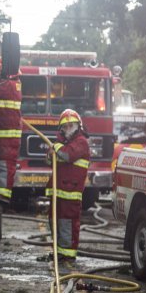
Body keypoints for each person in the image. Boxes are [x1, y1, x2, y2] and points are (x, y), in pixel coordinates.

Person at [45, 108, 90, 266]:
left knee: (67, 224)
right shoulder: (62, 143)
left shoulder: (81, 143)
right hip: (58, 193)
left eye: (71, 125)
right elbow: (52, 161)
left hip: (70, 193)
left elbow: (68, 155)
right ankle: (59, 252)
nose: (68, 128)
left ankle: (68, 255)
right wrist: (51, 153)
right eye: (65, 126)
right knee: (54, 221)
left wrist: (55, 148)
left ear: (78, 126)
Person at [0, 59, 22, 203]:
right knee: (4, 163)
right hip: (6, 134)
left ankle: (3, 195)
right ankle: (1, 192)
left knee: (5, 164)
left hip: (7, 135)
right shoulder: (13, 85)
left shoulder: (8, 85)